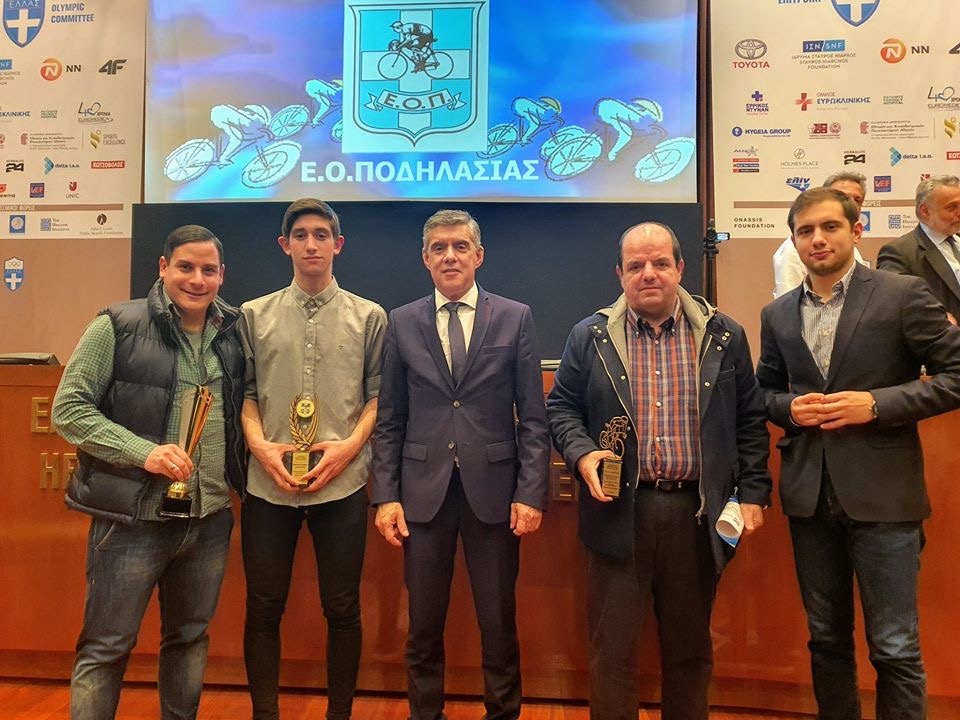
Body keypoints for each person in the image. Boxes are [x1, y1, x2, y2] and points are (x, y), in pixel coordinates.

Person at [546, 222, 772, 720]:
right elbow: (560, 408)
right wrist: (582, 454)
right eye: (636, 266)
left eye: (660, 263)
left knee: (690, 652)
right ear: (620, 274)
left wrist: (754, 491)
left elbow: (750, 421)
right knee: (613, 653)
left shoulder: (724, 335)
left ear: (680, 268)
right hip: (617, 515)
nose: (648, 273)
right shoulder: (590, 336)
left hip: (697, 514)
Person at [757, 187, 960, 720]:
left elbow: (956, 375)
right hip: (809, 498)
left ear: (856, 230)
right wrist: (788, 408)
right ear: (794, 240)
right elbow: (763, 393)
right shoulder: (777, 314)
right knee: (825, 638)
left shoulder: (902, 295)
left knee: (894, 646)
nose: (817, 239)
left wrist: (876, 404)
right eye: (805, 231)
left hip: (885, 498)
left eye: (830, 227)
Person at [51, 224, 246, 720]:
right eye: (186, 267)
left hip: (208, 520)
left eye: (208, 270)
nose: (197, 279)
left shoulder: (232, 333)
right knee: (106, 646)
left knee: (189, 641)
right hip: (132, 521)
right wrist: (143, 453)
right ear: (163, 268)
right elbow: (69, 410)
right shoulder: (117, 324)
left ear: (222, 275)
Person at [371, 209, 550, 720]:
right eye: (439, 248)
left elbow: (532, 417)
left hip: (494, 495)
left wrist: (530, 492)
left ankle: (502, 713)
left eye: (460, 246)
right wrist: (386, 496)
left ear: (479, 255)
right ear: (425, 258)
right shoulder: (402, 321)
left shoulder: (514, 317)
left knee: (498, 623)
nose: (450, 256)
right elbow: (390, 418)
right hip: (422, 495)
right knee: (423, 626)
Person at [238, 198, 386, 720]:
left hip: (342, 483)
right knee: (263, 607)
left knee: (342, 608)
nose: (311, 244)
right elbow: (245, 395)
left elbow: (377, 398)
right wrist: (260, 447)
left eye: (321, 235)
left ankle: (338, 714)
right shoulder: (252, 316)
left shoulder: (370, 317)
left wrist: (350, 448)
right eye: (300, 235)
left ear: (338, 245)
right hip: (268, 483)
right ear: (285, 245)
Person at [877, 174, 960, 324]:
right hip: (940, 335)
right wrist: (936, 317)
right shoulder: (899, 252)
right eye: (952, 207)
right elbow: (893, 303)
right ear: (925, 211)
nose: (959, 213)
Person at [773, 171, 869, 298]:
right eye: (839, 196)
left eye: (856, 200)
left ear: (856, 232)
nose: (849, 203)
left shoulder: (853, 252)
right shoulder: (793, 250)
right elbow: (787, 300)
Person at [594, 97, 663, 161]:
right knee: (626, 133)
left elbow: (636, 126)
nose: (649, 121)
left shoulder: (636, 112)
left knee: (626, 132)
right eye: (651, 118)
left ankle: (611, 153)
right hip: (604, 109)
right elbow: (635, 126)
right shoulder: (636, 113)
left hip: (605, 108)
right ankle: (612, 154)